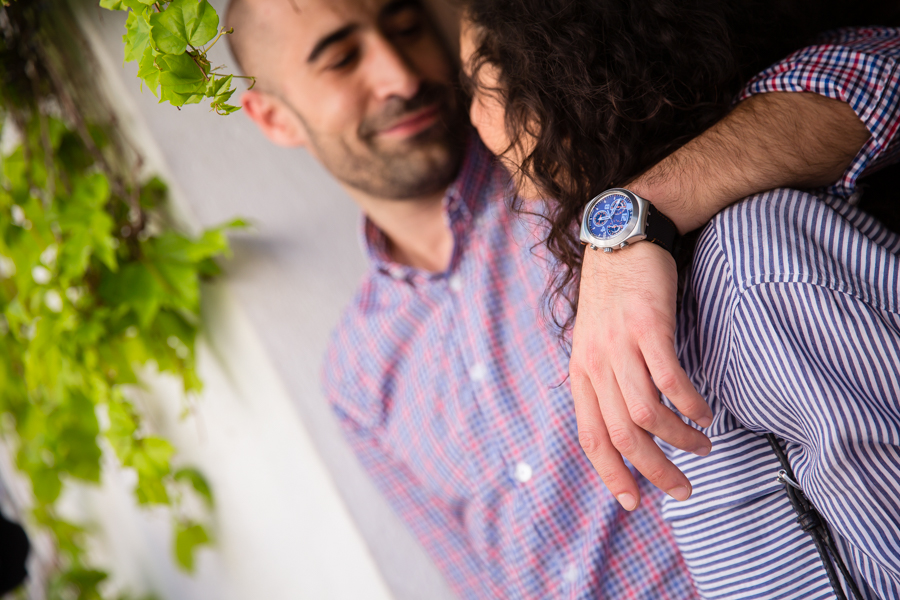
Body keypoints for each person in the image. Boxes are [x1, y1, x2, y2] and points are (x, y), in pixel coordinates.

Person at [225, 0, 890, 597]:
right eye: (341, 59)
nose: (400, 75)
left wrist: (632, 220)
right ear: (271, 114)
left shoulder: (571, 155)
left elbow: (875, 67)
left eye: (406, 27)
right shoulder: (355, 373)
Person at [459, 0, 900, 598]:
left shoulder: (758, 270)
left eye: (479, 84)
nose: (474, 120)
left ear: (559, 94)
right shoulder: (668, 282)